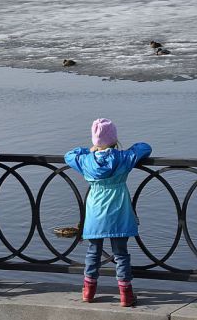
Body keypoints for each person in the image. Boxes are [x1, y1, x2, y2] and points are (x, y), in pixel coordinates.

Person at [64, 118, 152, 307]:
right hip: (119, 211)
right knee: (121, 254)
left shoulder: (86, 161)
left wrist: (89, 150)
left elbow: (69, 155)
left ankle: (88, 292)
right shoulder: (123, 158)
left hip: (96, 212)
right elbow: (145, 148)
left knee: (93, 252)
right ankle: (126, 295)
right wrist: (125, 149)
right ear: (114, 139)